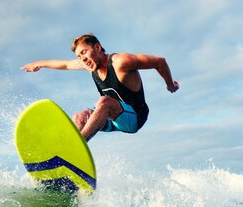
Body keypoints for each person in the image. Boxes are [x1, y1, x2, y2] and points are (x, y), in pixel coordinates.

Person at [21, 34, 179, 141]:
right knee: (80, 117)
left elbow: (160, 61)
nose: (82, 59)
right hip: (112, 118)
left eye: (84, 52)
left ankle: (78, 145)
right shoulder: (89, 64)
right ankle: (68, 155)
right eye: (79, 56)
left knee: (104, 102)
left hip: (134, 118)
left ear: (97, 48)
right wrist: (38, 64)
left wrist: (170, 85)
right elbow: (65, 64)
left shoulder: (121, 62)